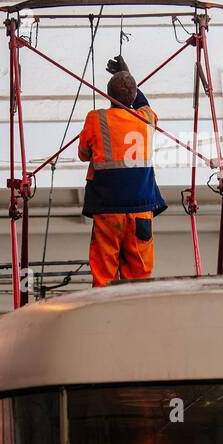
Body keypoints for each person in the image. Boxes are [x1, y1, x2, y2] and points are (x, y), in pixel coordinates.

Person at [78, 55, 167, 287]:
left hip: (108, 210)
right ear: (134, 94)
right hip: (141, 210)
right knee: (139, 278)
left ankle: (104, 317)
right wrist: (130, 78)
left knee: (104, 275)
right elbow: (143, 105)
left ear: (108, 95)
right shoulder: (147, 118)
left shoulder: (96, 119)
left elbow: (83, 154)